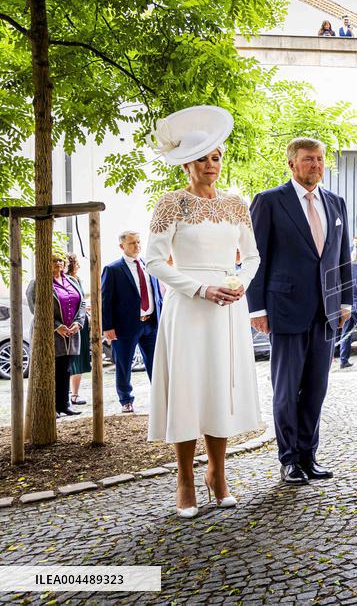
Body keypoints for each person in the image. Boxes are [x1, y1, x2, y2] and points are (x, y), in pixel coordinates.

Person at [145, 105, 262, 518]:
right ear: (186, 164)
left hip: (228, 306)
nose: (210, 165)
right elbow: (154, 261)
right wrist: (199, 287)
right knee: (189, 389)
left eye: (215, 157)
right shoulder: (171, 204)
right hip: (189, 305)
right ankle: (185, 480)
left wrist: (239, 284)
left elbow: (251, 257)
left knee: (220, 387)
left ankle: (218, 473)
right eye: (202, 158)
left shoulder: (235, 204)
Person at [248, 137, 353, 485]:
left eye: (320, 159)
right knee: (286, 387)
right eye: (308, 159)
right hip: (285, 308)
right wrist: (257, 309)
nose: (316, 165)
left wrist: (346, 300)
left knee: (316, 387)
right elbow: (256, 258)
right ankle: (289, 459)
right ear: (292, 164)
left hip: (327, 312)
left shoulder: (336, 204)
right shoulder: (268, 202)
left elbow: (342, 258)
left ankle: (309, 455)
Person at [101, 230, 163, 413]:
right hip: (125, 326)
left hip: (150, 323)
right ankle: (126, 400)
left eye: (138, 242)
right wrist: (108, 327)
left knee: (156, 362)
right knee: (123, 364)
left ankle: (160, 397)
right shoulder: (112, 269)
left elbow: (155, 293)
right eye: (132, 243)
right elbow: (106, 300)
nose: (137, 246)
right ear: (122, 246)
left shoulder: (147, 264)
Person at [26, 253, 87, 417]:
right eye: (53, 260)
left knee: (65, 369)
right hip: (49, 333)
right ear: (45, 263)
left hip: (71, 333)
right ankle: (51, 408)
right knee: (50, 370)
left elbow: (82, 303)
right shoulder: (38, 283)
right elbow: (36, 310)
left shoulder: (72, 281)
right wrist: (57, 326)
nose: (58, 263)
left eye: (60, 260)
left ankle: (64, 405)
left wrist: (78, 323)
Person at [65, 253, 90, 405]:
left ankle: (74, 394)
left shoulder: (77, 281)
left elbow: (81, 301)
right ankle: (68, 394)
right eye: (76, 263)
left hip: (81, 324)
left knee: (79, 359)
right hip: (70, 324)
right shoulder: (67, 282)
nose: (79, 266)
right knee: (69, 360)